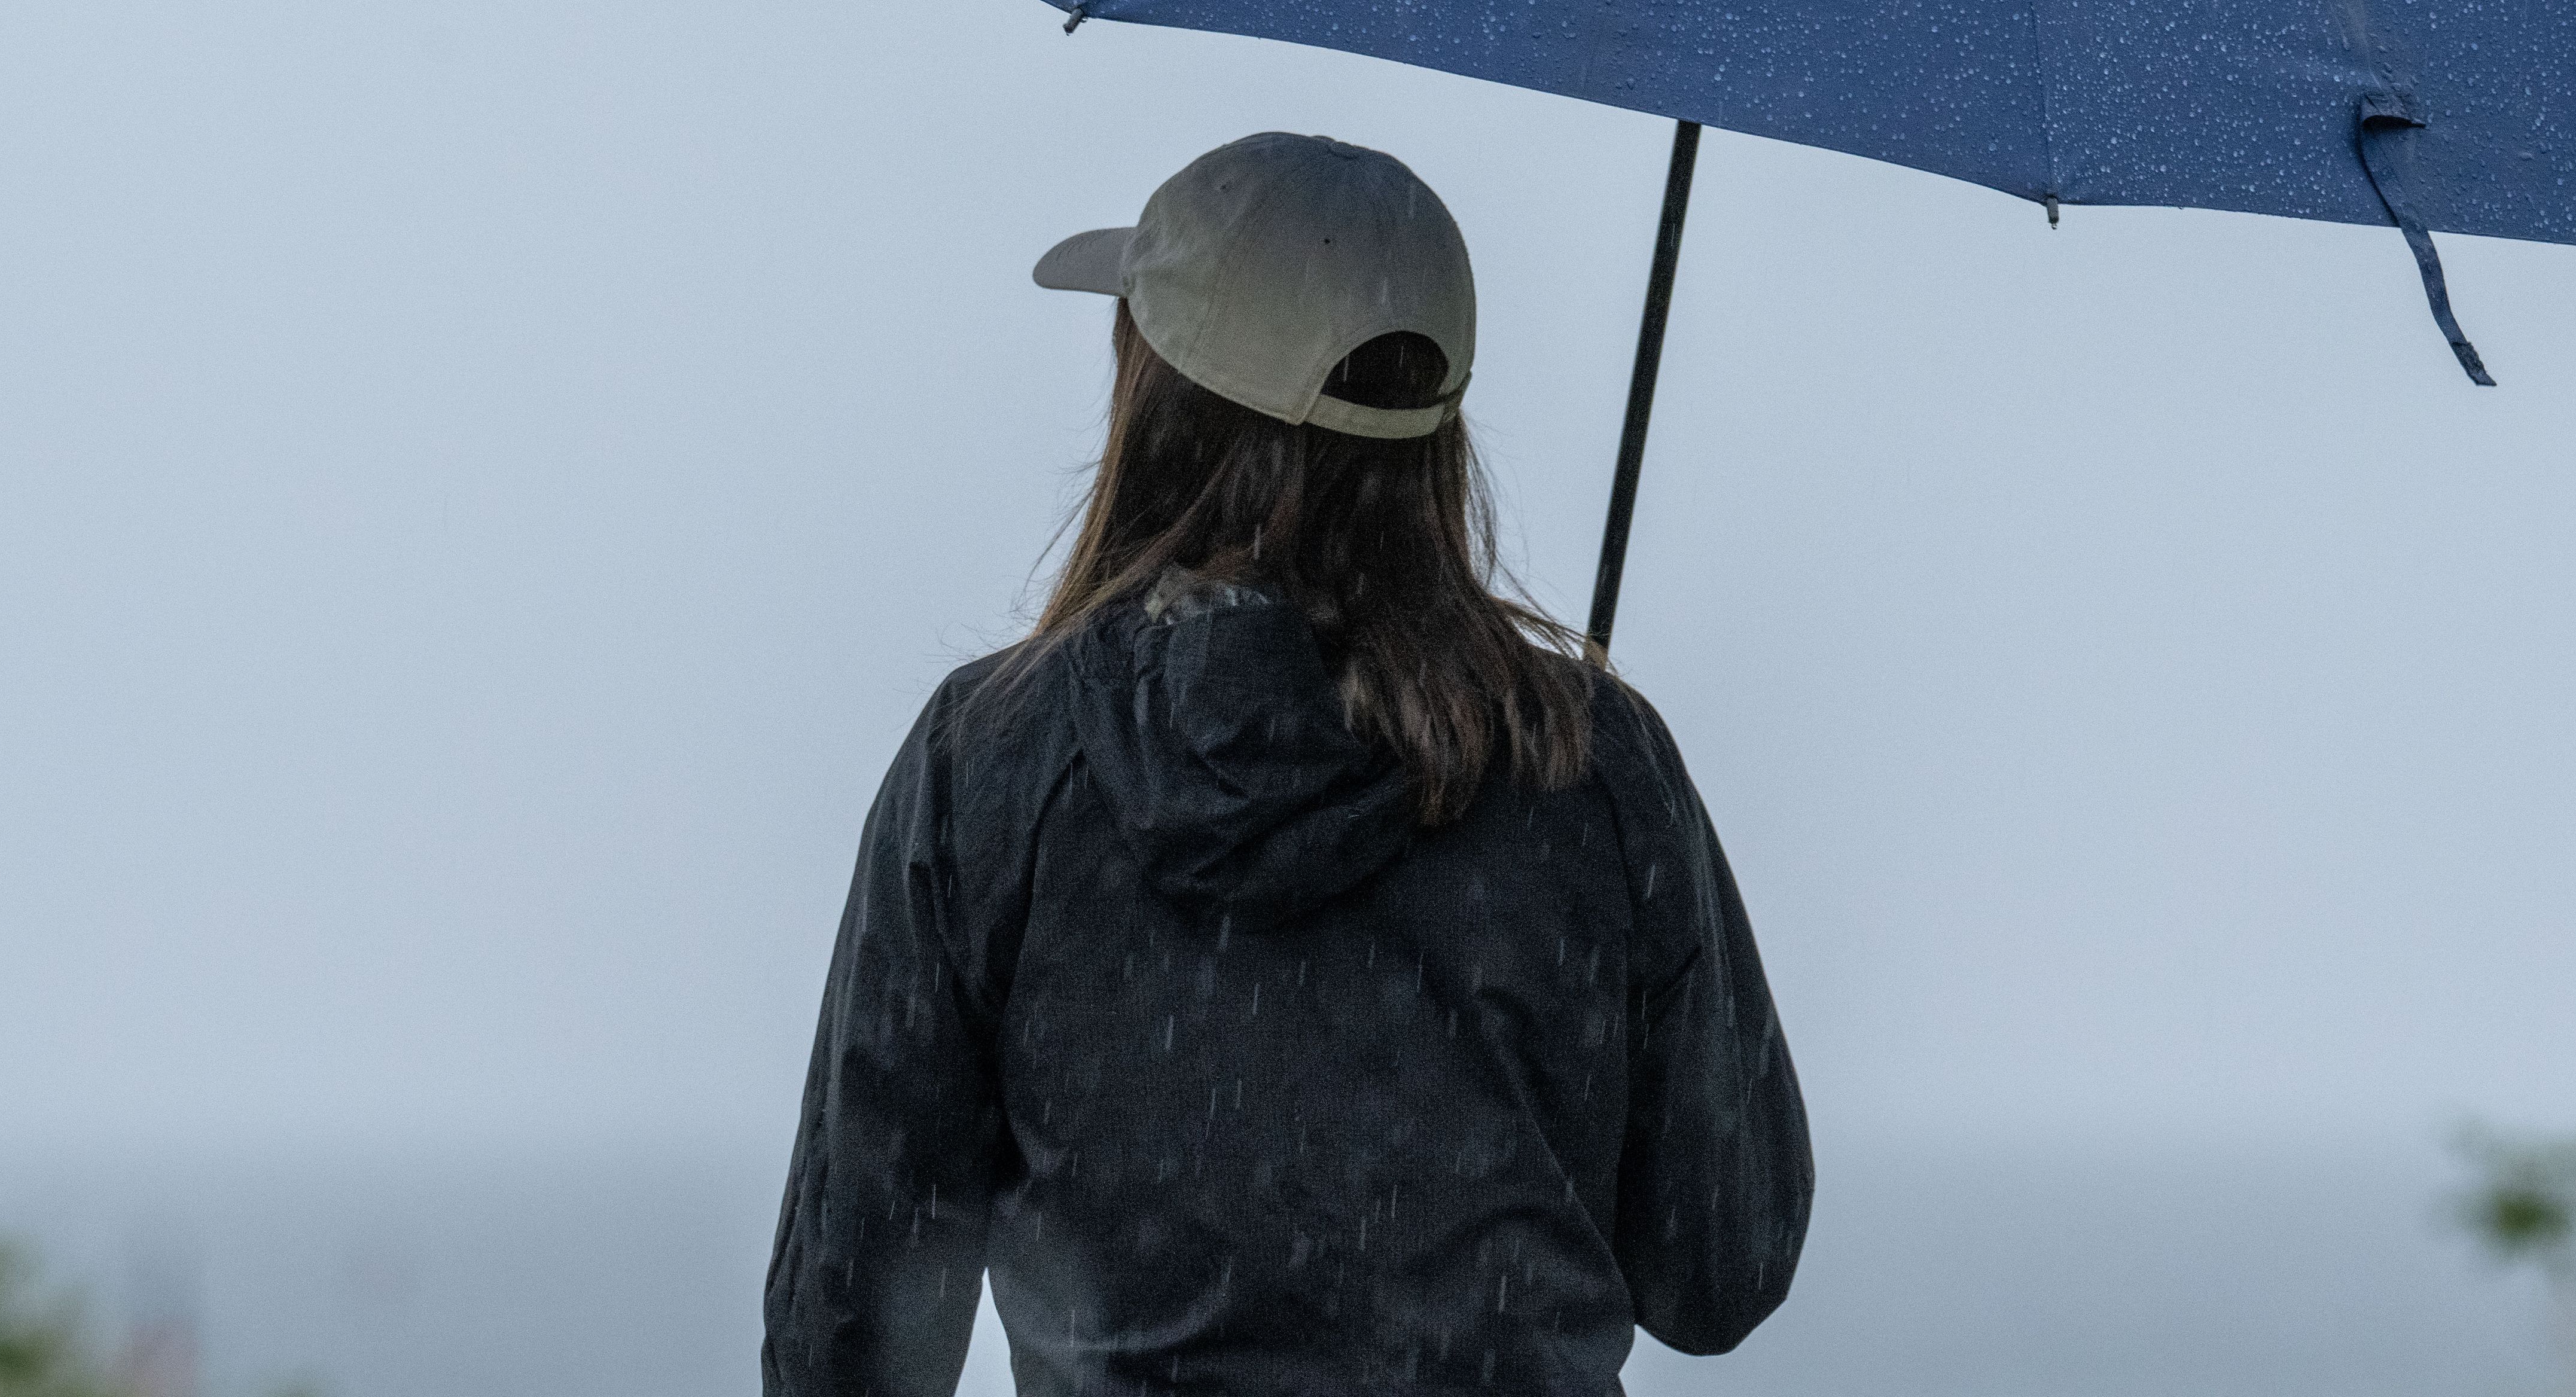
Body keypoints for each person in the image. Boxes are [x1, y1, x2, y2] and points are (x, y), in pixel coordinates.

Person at [764, 133, 1811, 1395]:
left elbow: (852, 1329)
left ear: (1155, 399)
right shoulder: (1591, 761)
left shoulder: (992, 752)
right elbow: (1721, 1266)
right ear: (1436, 427)